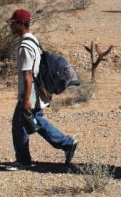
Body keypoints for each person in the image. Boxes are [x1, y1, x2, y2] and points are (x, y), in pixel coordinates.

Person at [6, 9, 78, 170]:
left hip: (30, 93)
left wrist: (25, 100)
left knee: (20, 125)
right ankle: (67, 144)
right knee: (36, 121)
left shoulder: (25, 46)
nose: (10, 27)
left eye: (13, 23)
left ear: (20, 24)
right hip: (37, 92)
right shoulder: (33, 40)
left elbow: (28, 75)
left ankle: (24, 160)